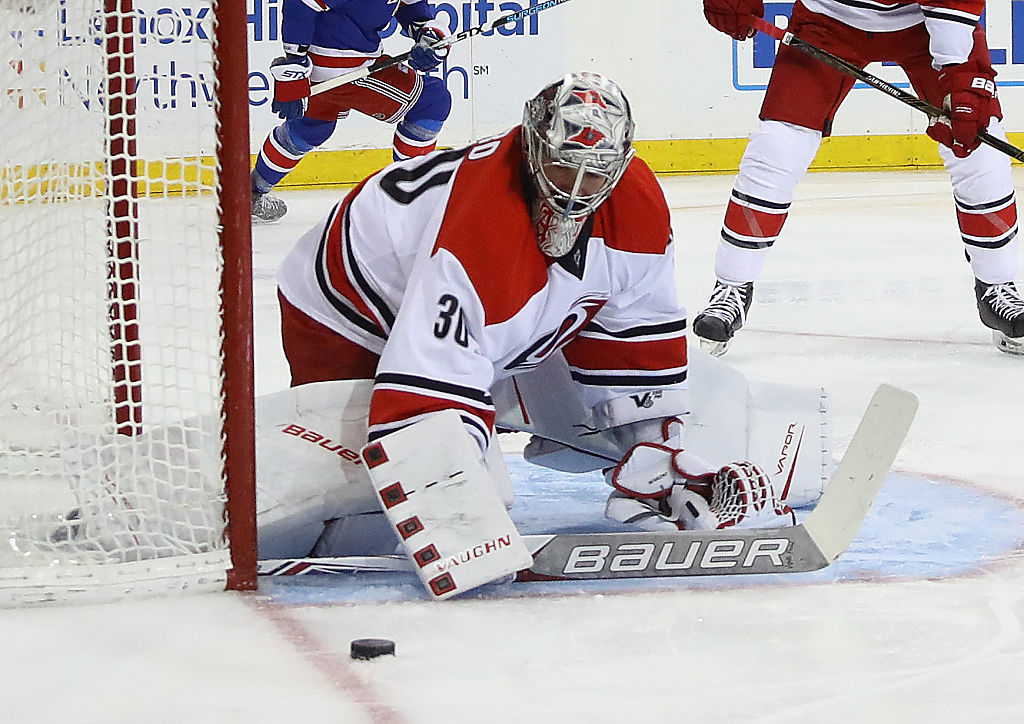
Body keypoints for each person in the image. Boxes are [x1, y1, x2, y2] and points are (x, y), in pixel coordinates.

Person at [267, 72, 797, 588]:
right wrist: (459, 518)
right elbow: (420, 403)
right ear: (532, 148)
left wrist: (653, 448)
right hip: (346, 313)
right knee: (376, 518)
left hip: (470, 300)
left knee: (703, 404)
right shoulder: (480, 237)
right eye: (564, 168)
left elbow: (636, 335)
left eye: (596, 173)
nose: (576, 191)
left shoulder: (635, 203)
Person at [696, 0, 1024, 356]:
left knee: (982, 153)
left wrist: (959, 77)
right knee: (777, 147)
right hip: (828, 17)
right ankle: (731, 286)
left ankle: (997, 283)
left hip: (924, 24)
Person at [250, 0, 454, 224]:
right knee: (432, 101)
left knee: (313, 128)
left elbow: (410, 9)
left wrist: (429, 38)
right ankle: (410, 196)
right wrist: (294, 61)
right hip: (343, 67)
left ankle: (252, 191)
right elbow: (301, 3)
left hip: (328, 65)